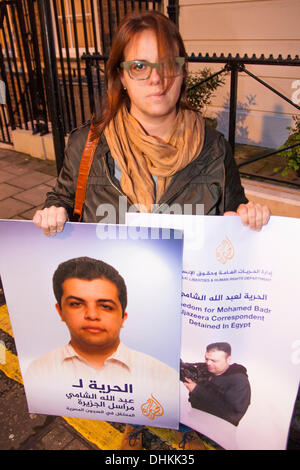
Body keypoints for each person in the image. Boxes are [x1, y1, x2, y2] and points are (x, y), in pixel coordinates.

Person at [33, 10, 270, 449]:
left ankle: (195, 429)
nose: (156, 79)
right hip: (133, 304)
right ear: (121, 76)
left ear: (182, 71)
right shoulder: (87, 146)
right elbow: (63, 198)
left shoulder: (213, 146)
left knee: (185, 375)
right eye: (139, 67)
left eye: (168, 65)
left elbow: (234, 207)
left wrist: (247, 216)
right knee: (138, 374)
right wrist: (52, 213)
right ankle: (135, 423)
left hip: (191, 306)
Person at [25, 257, 178, 430]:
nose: (92, 315)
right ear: (60, 311)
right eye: (76, 304)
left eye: (105, 306)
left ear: (123, 317)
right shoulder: (39, 371)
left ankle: (184, 432)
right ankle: (134, 429)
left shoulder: (164, 376)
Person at [182, 342, 251, 426]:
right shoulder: (206, 368)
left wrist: (197, 390)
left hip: (216, 432)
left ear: (228, 359)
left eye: (214, 360)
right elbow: (188, 367)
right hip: (194, 420)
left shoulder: (239, 382)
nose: (208, 363)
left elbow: (233, 416)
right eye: (206, 359)